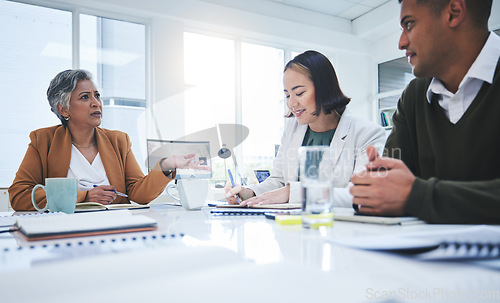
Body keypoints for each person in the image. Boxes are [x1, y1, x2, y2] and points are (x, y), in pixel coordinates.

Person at [350, 0, 500, 223]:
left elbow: (410, 194)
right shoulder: (413, 96)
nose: (401, 43)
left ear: (454, 13)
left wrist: (418, 196)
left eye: (409, 24)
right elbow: (385, 189)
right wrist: (373, 188)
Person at [9, 69, 208, 211]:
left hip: (114, 228)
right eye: (85, 97)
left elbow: (138, 194)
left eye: (97, 95)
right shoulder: (43, 141)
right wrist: (83, 197)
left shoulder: (119, 141)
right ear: (63, 109)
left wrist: (165, 165)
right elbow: (19, 196)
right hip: (65, 231)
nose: (96, 103)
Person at [226, 50, 386, 207]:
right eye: (288, 95)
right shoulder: (292, 129)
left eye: (299, 93)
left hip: (337, 228)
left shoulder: (367, 134)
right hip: (291, 227)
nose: (291, 103)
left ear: (324, 89)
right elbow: (278, 181)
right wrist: (250, 193)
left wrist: (294, 193)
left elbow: (362, 193)